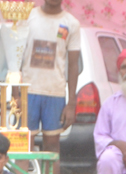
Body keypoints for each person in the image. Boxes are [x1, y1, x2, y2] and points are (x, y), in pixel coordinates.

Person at [21, 0, 81, 157]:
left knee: (52, 148)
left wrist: (71, 104)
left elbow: (73, 65)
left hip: (55, 93)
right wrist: (16, 94)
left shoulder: (71, 24)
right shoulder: (28, 16)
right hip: (28, 91)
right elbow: (16, 54)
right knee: (24, 145)